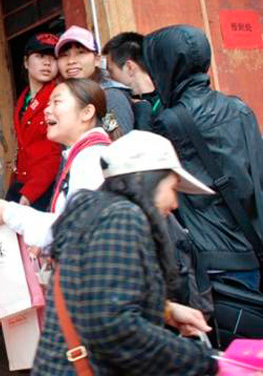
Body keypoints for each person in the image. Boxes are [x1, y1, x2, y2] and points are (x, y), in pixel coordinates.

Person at [32, 130, 218, 375]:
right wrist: (204, 360)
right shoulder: (124, 217)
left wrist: (165, 310)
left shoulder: (101, 212)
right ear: (144, 180)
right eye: (172, 188)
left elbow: (96, 296)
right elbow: (115, 326)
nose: (175, 204)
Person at [143, 25, 263, 291]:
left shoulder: (169, 122)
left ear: (166, 66)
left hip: (212, 256)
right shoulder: (239, 108)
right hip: (253, 244)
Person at [0, 78, 111, 251]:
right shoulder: (83, 154)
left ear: (87, 112)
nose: (47, 110)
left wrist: (8, 212)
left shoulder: (91, 158)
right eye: (48, 103)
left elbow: (76, 228)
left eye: (56, 102)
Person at [5, 32, 61, 211]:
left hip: (45, 187)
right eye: (40, 56)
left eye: (53, 58)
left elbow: (54, 153)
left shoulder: (59, 95)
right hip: (22, 181)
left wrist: (30, 193)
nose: (47, 63)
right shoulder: (24, 97)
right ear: (25, 62)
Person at [55, 25, 134, 138]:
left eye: (81, 52)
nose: (71, 61)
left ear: (97, 59)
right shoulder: (68, 98)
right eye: (64, 55)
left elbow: (117, 141)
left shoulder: (108, 97)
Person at [102, 32, 161, 131]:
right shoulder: (115, 100)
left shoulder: (167, 103)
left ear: (129, 68)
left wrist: (142, 111)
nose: (108, 77)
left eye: (111, 71)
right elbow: (108, 131)